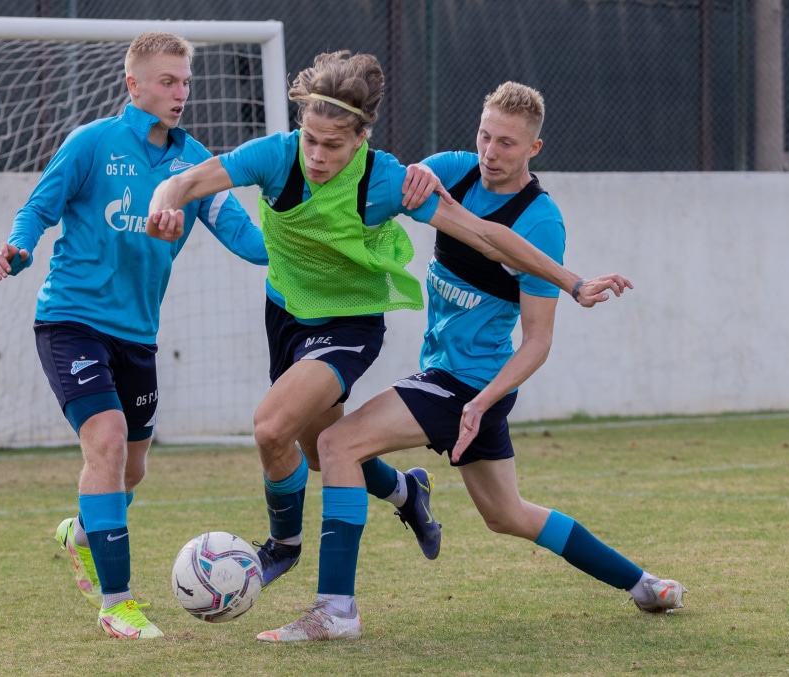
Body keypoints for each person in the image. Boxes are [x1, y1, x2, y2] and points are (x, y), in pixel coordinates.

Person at [147, 53, 629, 595]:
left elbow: (487, 236)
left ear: (361, 139)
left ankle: (287, 549)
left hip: (354, 325)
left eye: (333, 145)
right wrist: (164, 206)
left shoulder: (388, 181)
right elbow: (186, 182)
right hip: (285, 314)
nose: (317, 156)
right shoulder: (277, 156)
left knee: (272, 428)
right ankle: (406, 492)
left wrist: (572, 282)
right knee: (319, 451)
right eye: (310, 139)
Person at [255, 81, 685, 643]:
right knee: (507, 514)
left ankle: (336, 610)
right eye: (485, 136)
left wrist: (483, 401)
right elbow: (380, 184)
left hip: (471, 382)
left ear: (534, 148)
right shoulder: (452, 171)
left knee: (337, 445)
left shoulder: (539, 221)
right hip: (446, 375)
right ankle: (644, 584)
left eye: (507, 143)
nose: (490, 152)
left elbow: (537, 341)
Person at [0, 32, 270, 640]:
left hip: (138, 336)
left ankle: (83, 532)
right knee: (108, 440)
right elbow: (38, 208)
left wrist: (307, 246)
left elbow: (247, 241)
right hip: (70, 320)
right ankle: (116, 604)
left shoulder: (196, 165)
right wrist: (19, 246)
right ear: (133, 84)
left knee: (132, 470)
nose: (180, 93)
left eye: (186, 82)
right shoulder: (92, 143)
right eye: (167, 81)